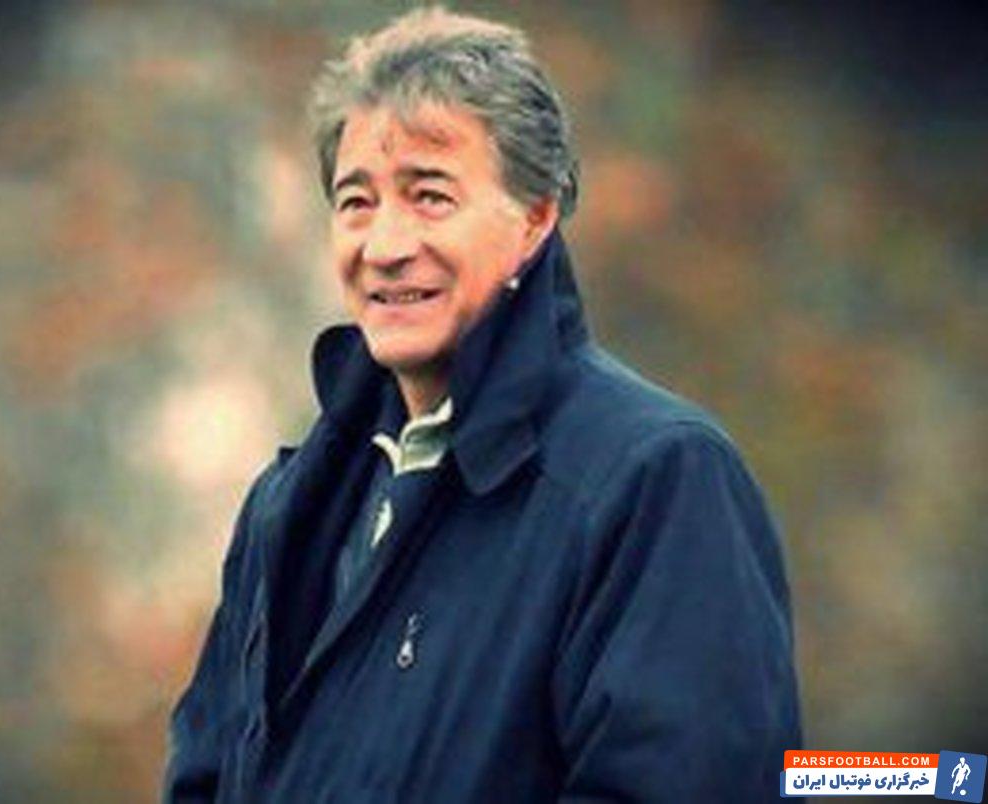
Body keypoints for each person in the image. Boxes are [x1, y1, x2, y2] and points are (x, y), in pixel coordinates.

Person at [163, 7, 801, 803]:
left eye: (429, 196)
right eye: (356, 202)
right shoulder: (284, 507)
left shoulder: (654, 479)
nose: (384, 246)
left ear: (535, 218)